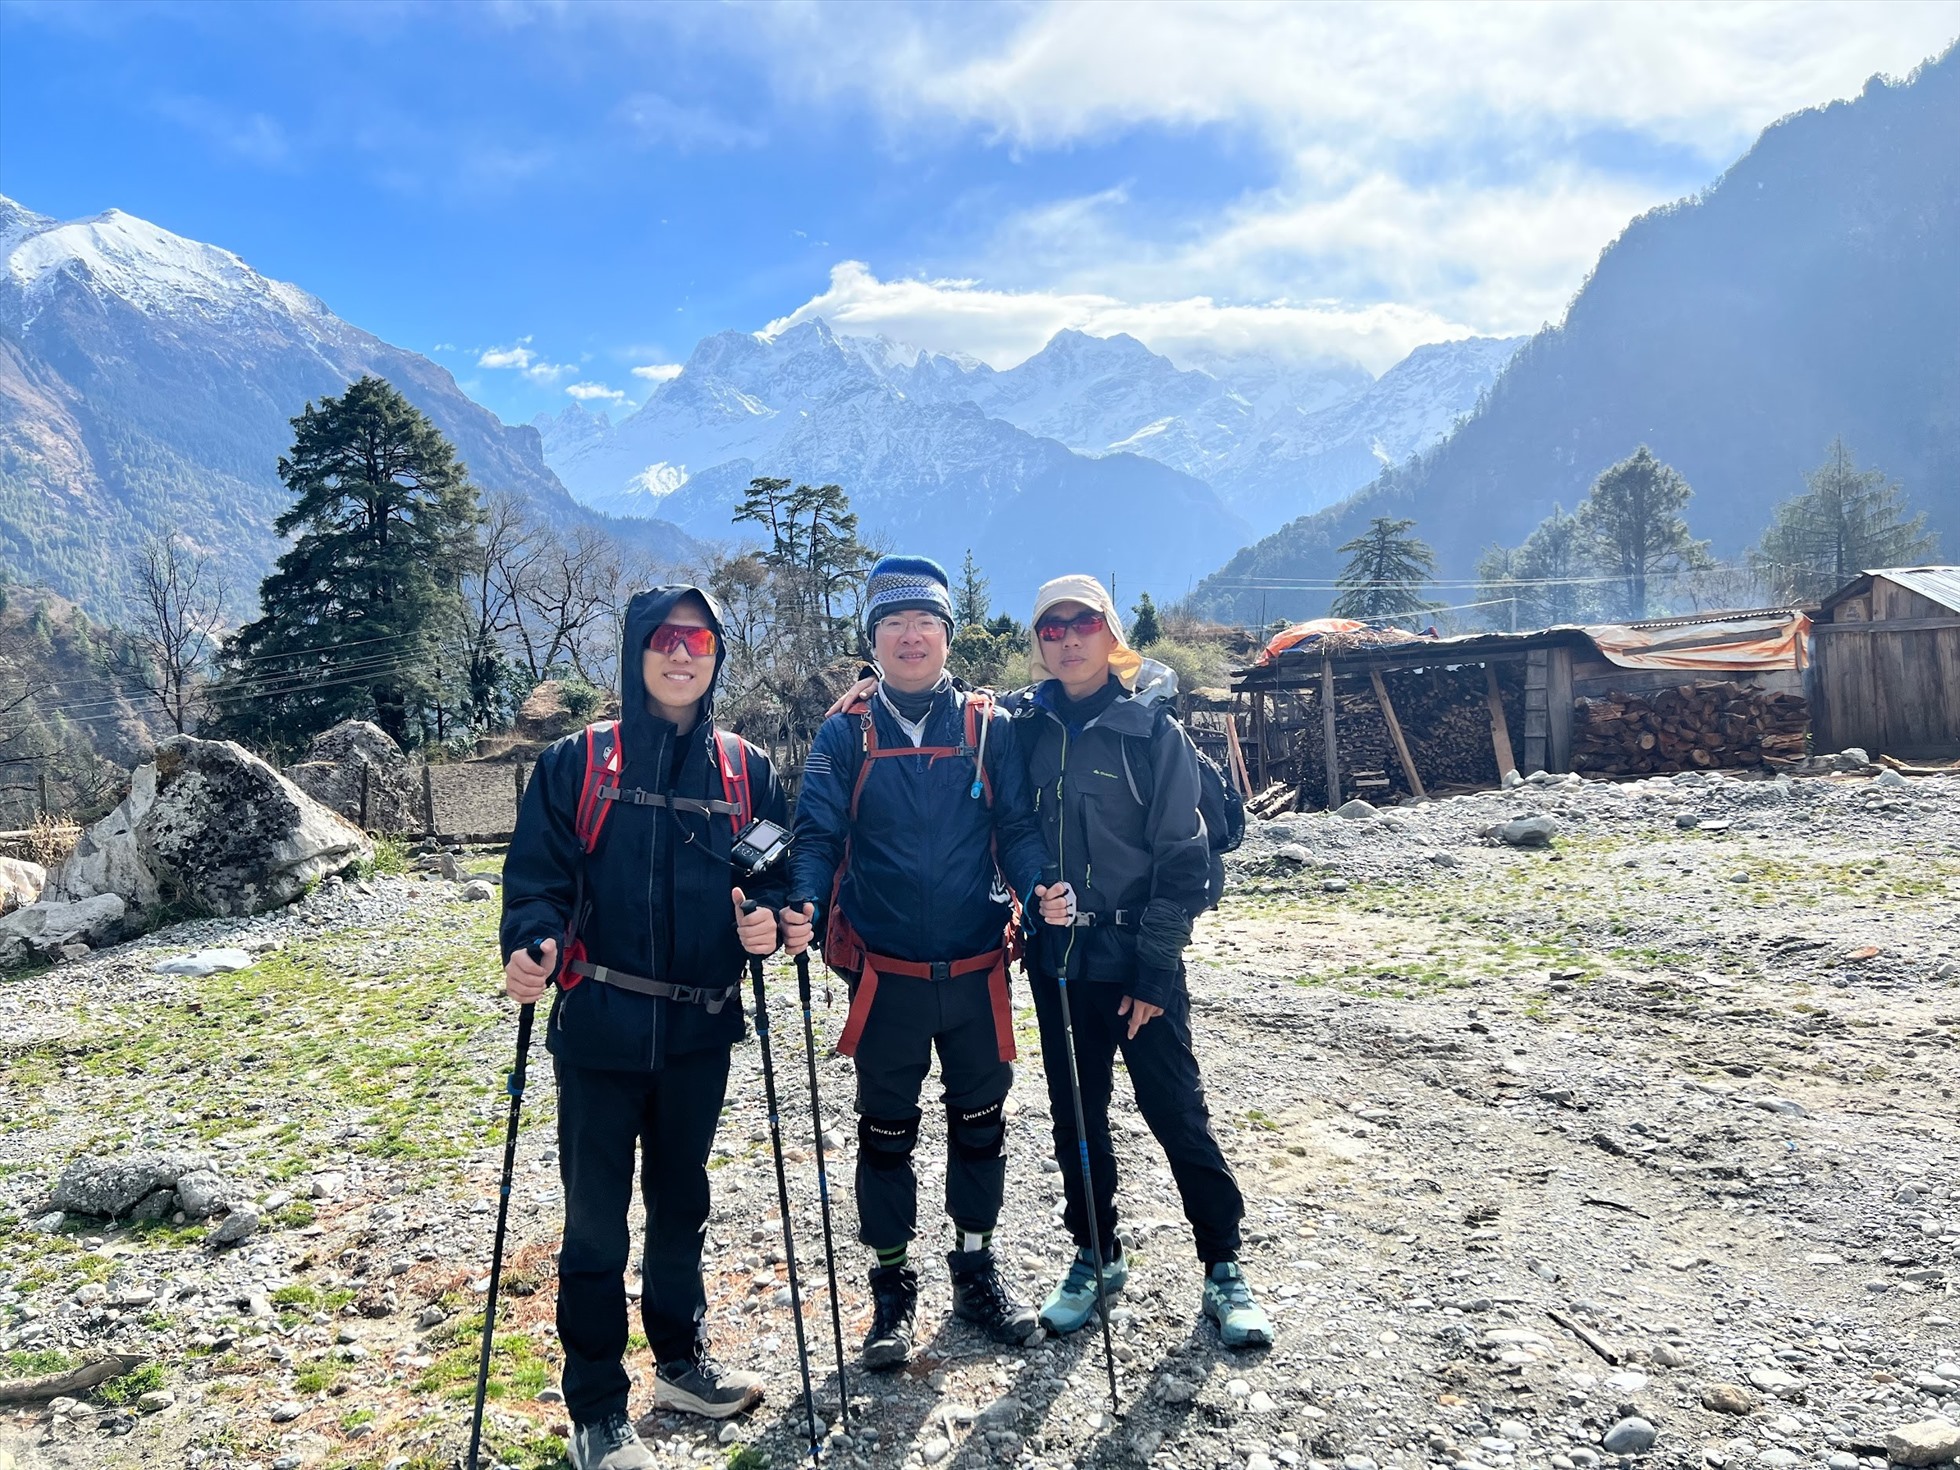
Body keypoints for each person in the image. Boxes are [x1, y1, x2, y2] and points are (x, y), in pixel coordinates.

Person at [501, 586, 787, 1470]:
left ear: (715, 655)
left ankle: (678, 1362)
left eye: (699, 640)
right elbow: (537, 878)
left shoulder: (747, 771)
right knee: (595, 1223)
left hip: (700, 1031)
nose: (681, 653)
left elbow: (775, 878)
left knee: (681, 1204)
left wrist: (770, 924)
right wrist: (531, 941)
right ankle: (595, 1406)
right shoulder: (577, 763)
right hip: (599, 1026)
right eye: (664, 639)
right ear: (636, 653)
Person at [781, 554, 1050, 1371]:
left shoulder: (987, 725)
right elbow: (819, 831)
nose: (910, 636)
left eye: (925, 623)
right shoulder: (845, 730)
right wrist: (799, 900)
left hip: (976, 974)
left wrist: (1042, 888)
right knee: (885, 1134)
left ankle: (976, 1270)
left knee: (981, 1128)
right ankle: (891, 1295)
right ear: (874, 640)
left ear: (945, 635)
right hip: (886, 978)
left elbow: (1020, 833)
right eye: (893, 623)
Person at [1012, 574, 1274, 1350]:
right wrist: (1033, 884)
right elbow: (1013, 826)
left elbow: (1183, 857)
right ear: (1039, 643)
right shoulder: (1024, 729)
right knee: (1077, 1121)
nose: (1066, 638)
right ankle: (1096, 1255)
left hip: (1138, 958)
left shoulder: (1153, 732)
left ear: (1109, 633)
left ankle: (1223, 1265)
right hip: (1059, 959)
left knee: (1176, 1114)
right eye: (1050, 627)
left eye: (1081, 622)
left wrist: (1155, 973)